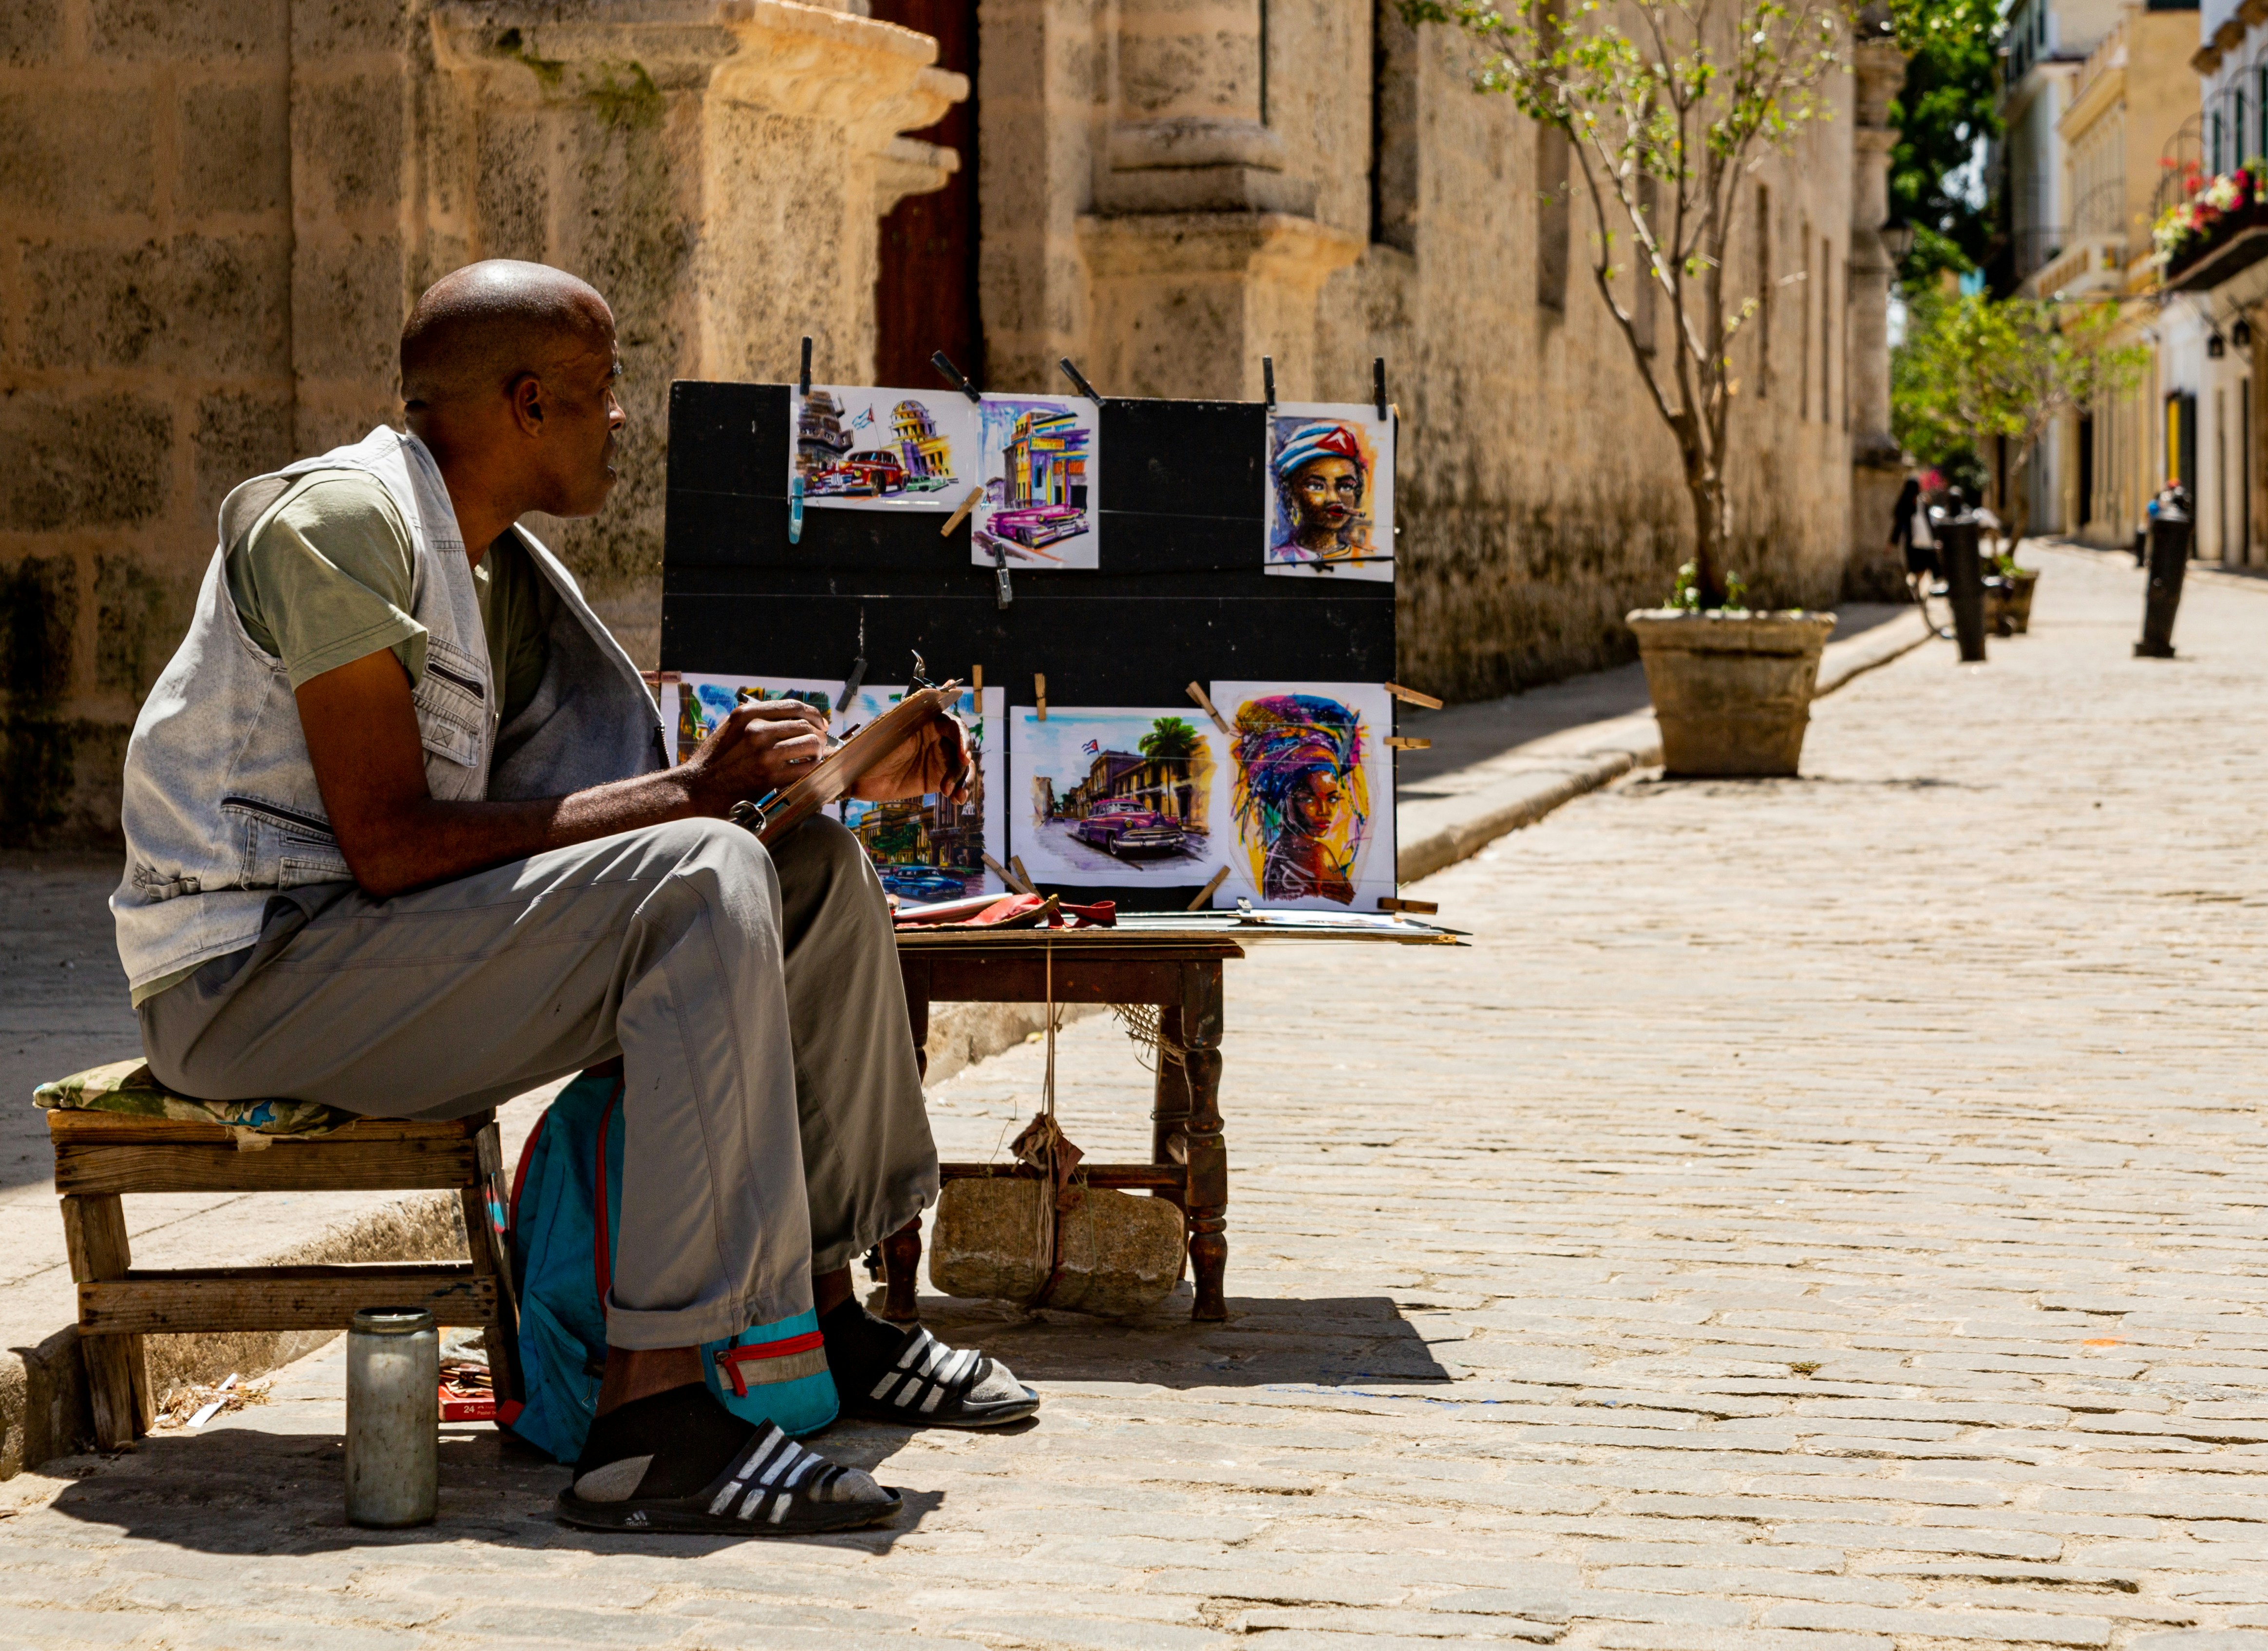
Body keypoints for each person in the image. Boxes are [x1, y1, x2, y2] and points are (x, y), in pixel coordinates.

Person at [112, 260, 1034, 1538]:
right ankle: (651, 1423)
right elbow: (386, 844)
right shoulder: (338, 524)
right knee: (709, 868)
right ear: (527, 402)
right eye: (602, 394)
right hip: (253, 978)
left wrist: (832, 783)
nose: (620, 422)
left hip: (392, 954)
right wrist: (691, 792)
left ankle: (820, 1321)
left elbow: (599, 832)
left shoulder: (501, 573)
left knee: (804, 872)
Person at [1229, 694, 1368, 904]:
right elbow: (1351, 908)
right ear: (1285, 800)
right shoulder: (1316, 854)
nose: (1324, 810)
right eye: (1308, 799)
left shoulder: (1277, 850)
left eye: (1332, 799)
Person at [1270, 422, 1372, 562]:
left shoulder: (1367, 561)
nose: (1334, 498)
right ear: (1292, 494)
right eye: (1317, 487)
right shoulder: (1277, 559)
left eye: (1346, 487)